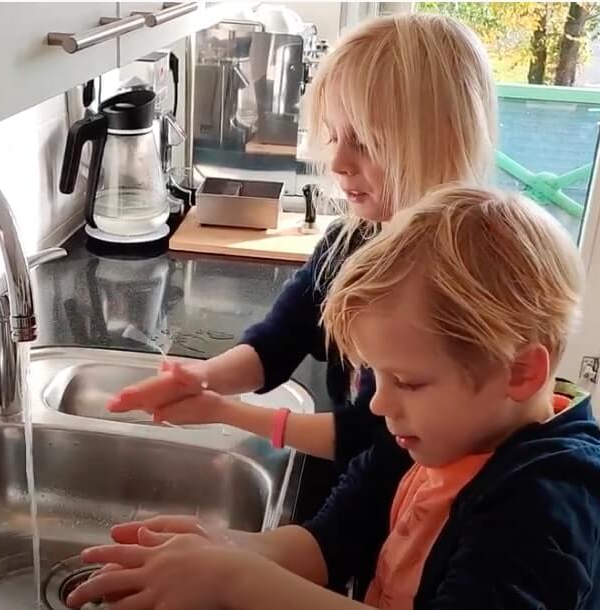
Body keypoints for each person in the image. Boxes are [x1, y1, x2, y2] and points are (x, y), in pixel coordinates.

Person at [66, 186, 600, 610]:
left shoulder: (549, 505)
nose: (377, 405)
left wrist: (235, 579)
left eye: (408, 382)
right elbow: (330, 541)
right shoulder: (431, 438)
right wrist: (224, 549)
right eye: (378, 377)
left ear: (519, 373)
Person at [107, 13, 499, 467]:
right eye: (333, 135)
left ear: (443, 140)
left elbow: (369, 437)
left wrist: (225, 411)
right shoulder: (350, 242)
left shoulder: (452, 279)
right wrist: (202, 377)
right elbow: (280, 339)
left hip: (415, 490)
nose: (338, 162)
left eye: (366, 143)